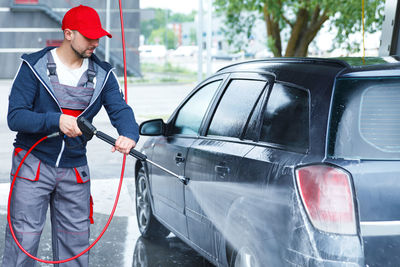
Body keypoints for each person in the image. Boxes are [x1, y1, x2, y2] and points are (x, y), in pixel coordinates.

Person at [3, 5, 139, 267]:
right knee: (23, 242)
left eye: (98, 37)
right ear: (68, 34)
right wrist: (56, 120)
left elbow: (120, 109)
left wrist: (129, 134)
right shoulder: (33, 67)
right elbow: (15, 117)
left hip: (75, 170)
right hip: (32, 165)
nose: (95, 43)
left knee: (74, 247)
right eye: (89, 37)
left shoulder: (103, 74)